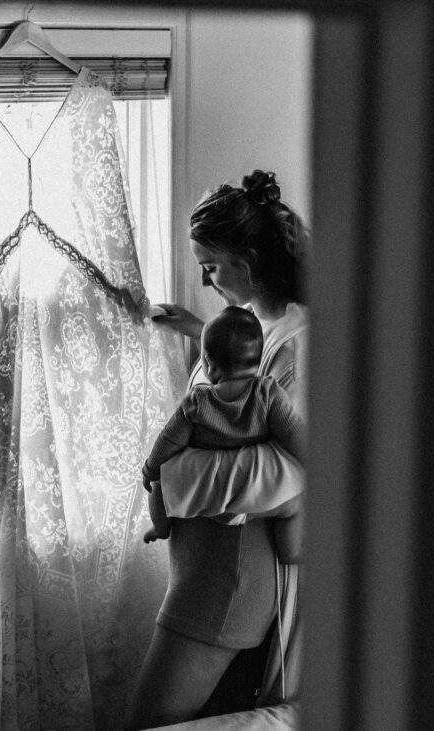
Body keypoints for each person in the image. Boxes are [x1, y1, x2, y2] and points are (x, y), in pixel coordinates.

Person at [126, 170, 309, 729]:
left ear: (248, 259)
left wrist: (168, 478)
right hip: (210, 567)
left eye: (211, 266)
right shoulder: (256, 325)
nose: (205, 279)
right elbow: (242, 402)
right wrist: (196, 330)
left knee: (148, 723)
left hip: (228, 575)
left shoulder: (298, 345)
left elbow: (287, 467)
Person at [140, 306, 304, 550]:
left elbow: (169, 440)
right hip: (250, 491)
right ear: (259, 360)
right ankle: (290, 548)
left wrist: (150, 469)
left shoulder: (198, 400)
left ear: (208, 363)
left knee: (159, 486)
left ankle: (161, 527)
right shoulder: (269, 393)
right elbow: (292, 433)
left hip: (204, 489)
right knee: (295, 500)